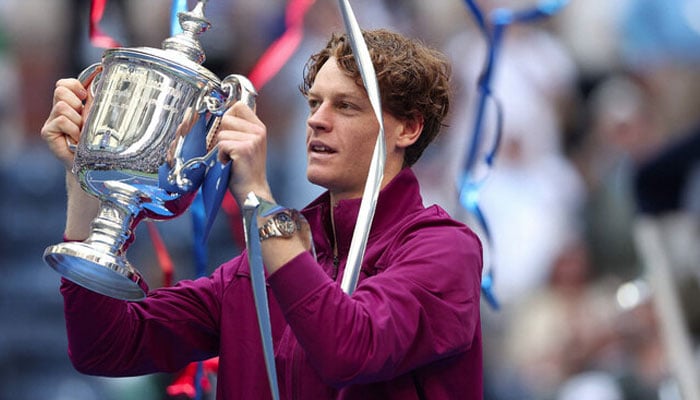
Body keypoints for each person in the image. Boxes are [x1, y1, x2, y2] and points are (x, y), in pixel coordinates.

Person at [41, 29, 484, 399]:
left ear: (408, 127)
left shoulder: (445, 250)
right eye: (314, 103)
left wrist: (256, 195)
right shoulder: (257, 267)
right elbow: (106, 347)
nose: (317, 120)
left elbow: (349, 349)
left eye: (345, 106)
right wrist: (85, 178)